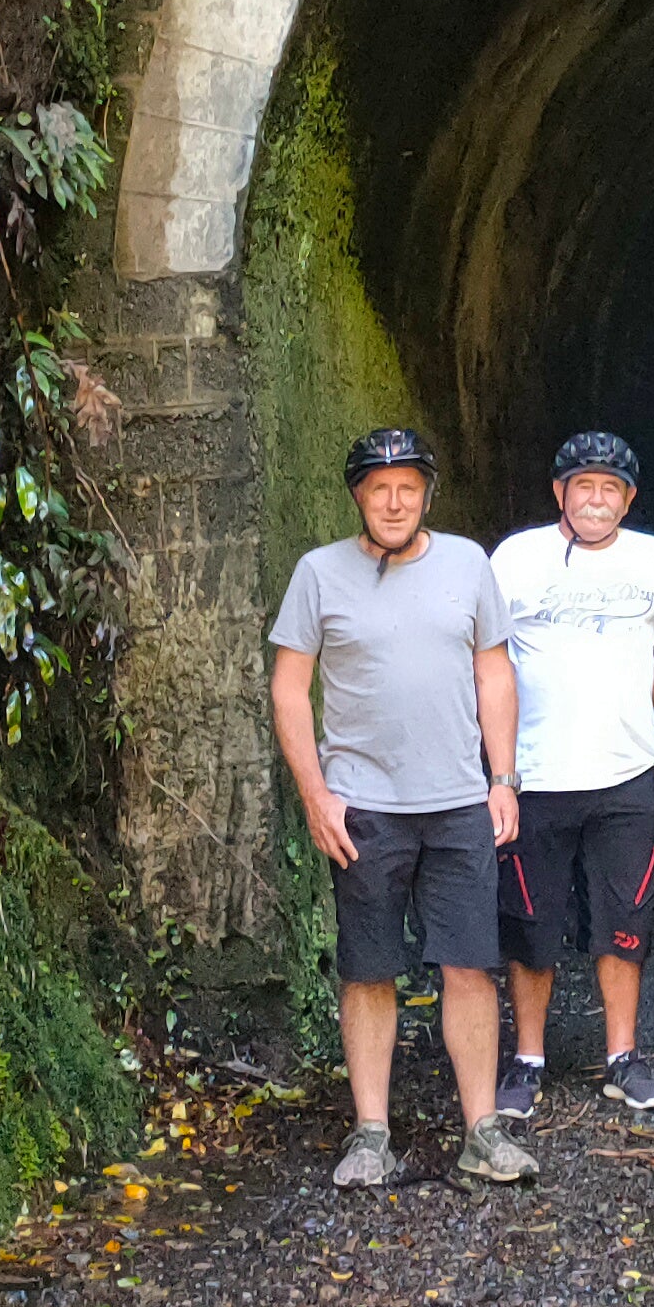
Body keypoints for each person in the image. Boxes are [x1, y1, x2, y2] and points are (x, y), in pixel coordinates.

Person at [268, 426, 538, 1192]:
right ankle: (371, 1134)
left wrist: (503, 777)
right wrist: (316, 793)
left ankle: (482, 1131)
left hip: (457, 801)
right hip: (365, 808)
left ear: (427, 494)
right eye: (379, 488)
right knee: (368, 969)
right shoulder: (319, 574)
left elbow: (493, 675)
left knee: (470, 966)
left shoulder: (467, 564)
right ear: (358, 495)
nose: (394, 501)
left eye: (408, 487)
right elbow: (290, 688)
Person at [489, 430, 654, 1119]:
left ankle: (622, 1058)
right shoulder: (516, 558)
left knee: (624, 917)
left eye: (611, 489)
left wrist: (635, 708)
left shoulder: (651, 558)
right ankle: (527, 1060)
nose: (598, 500)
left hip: (625, 773)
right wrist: (499, 761)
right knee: (530, 921)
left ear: (628, 499)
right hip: (535, 773)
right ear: (560, 492)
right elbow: (485, 656)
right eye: (585, 486)